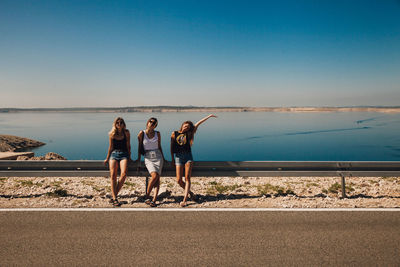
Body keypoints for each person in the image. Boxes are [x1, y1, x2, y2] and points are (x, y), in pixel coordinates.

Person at [171, 114, 217, 207]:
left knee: (187, 178)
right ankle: (191, 194)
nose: (186, 127)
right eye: (185, 125)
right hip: (178, 157)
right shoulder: (174, 133)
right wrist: (172, 158)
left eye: (188, 127)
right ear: (182, 125)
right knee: (179, 180)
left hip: (188, 157)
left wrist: (209, 116)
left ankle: (185, 200)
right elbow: (171, 147)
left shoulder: (189, 134)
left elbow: (198, 124)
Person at [137, 117, 165, 207]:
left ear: (155, 125)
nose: (152, 124)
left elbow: (159, 146)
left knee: (157, 179)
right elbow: (139, 147)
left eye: (154, 123)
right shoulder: (142, 133)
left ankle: (154, 200)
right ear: (147, 122)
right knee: (155, 176)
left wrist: (163, 157)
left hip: (158, 156)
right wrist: (138, 160)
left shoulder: (158, 133)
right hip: (148, 157)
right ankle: (147, 196)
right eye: (151, 122)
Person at [104, 117, 131, 207]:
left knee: (123, 174)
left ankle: (114, 194)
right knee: (113, 175)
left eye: (121, 122)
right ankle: (115, 198)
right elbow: (110, 147)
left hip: (124, 154)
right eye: (117, 123)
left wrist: (130, 156)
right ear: (115, 124)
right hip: (114, 154)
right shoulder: (112, 134)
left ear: (123, 124)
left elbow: (128, 145)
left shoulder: (126, 133)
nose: (119, 124)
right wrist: (107, 158)